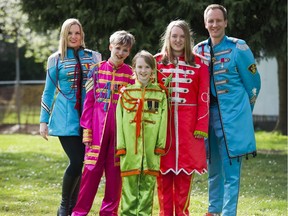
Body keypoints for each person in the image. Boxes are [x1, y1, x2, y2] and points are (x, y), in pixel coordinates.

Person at [193, 4, 261, 216]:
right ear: (205, 24)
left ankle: (228, 213)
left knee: (231, 172)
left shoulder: (238, 48)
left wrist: (243, 113)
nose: (214, 24)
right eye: (210, 21)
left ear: (225, 22)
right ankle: (213, 211)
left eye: (218, 20)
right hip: (207, 118)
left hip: (232, 119)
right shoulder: (198, 50)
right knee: (213, 169)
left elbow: (254, 84)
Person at [39, 18, 101, 216]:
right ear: (64, 36)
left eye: (77, 33)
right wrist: (43, 121)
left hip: (89, 117)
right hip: (65, 118)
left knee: (83, 162)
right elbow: (48, 92)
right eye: (70, 33)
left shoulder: (94, 57)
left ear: (82, 35)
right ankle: (65, 205)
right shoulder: (55, 59)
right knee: (77, 160)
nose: (74, 37)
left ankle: (73, 208)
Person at [71, 30, 135, 216]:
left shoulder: (131, 75)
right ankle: (79, 212)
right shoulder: (96, 70)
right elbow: (88, 103)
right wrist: (87, 130)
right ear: (110, 47)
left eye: (125, 50)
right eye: (118, 48)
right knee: (90, 173)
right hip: (97, 133)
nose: (120, 52)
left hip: (119, 135)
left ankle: (109, 213)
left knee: (115, 177)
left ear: (129, 52)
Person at [155, 19, 210, 215]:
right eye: (174, 36)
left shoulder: (201, 65)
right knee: (163, 177)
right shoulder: (155, 62)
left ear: (187, 38)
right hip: (163, 129)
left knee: (184, 179)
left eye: (182, 36)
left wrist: (201, 126)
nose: (178, 40)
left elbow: (204, 98)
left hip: (189, 130)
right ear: (168, 38)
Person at [116, 50, 168, 215]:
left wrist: (160, 146)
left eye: (147, 67)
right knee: (129, 190)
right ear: (134, 69)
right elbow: (119, 122)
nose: (143, 70)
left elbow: (163, 122)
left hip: (151, 151)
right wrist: (121, 147)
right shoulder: (126, 94)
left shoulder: (160, 94)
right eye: (140, 67)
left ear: (153, 70)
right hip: (130, 151)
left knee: (147, 189)